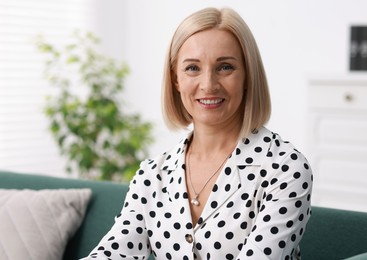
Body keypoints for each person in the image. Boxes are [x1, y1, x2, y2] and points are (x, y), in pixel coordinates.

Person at [81, 7, 312, 260]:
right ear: (176, 79)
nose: (208, 84)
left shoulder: (285, 168)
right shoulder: (152, 174)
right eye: (192, 68)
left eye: (225, 67)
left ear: (248, 75)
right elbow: (114, 252)